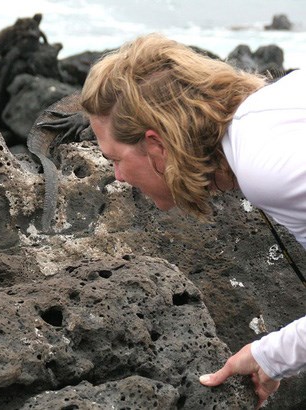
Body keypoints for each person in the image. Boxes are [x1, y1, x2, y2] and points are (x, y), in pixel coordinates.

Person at [78, 33, 306, 407]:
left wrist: (272, 355)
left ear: (156, 145)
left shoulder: (267, 167)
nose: (117, 176)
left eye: (114, 158)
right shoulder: (268, 115)